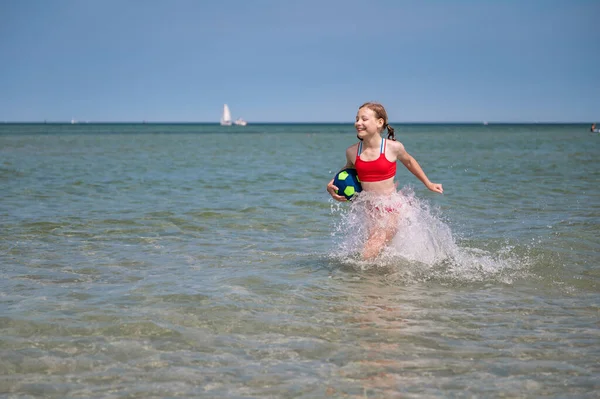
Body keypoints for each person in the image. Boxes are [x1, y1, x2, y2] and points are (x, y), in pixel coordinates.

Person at [326, 102, 443, 260]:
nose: (358, 123)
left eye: (364, 119)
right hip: (369, 207)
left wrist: (428, 183)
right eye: (357, 119)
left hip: (391, 207)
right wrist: (331, 185)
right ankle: (384, 280)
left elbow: (409, 161)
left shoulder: (392, 147)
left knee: (371, 249)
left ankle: (361, 279)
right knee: (379, 249)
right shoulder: (352, 152)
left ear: (379, 122)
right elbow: (347, 171)